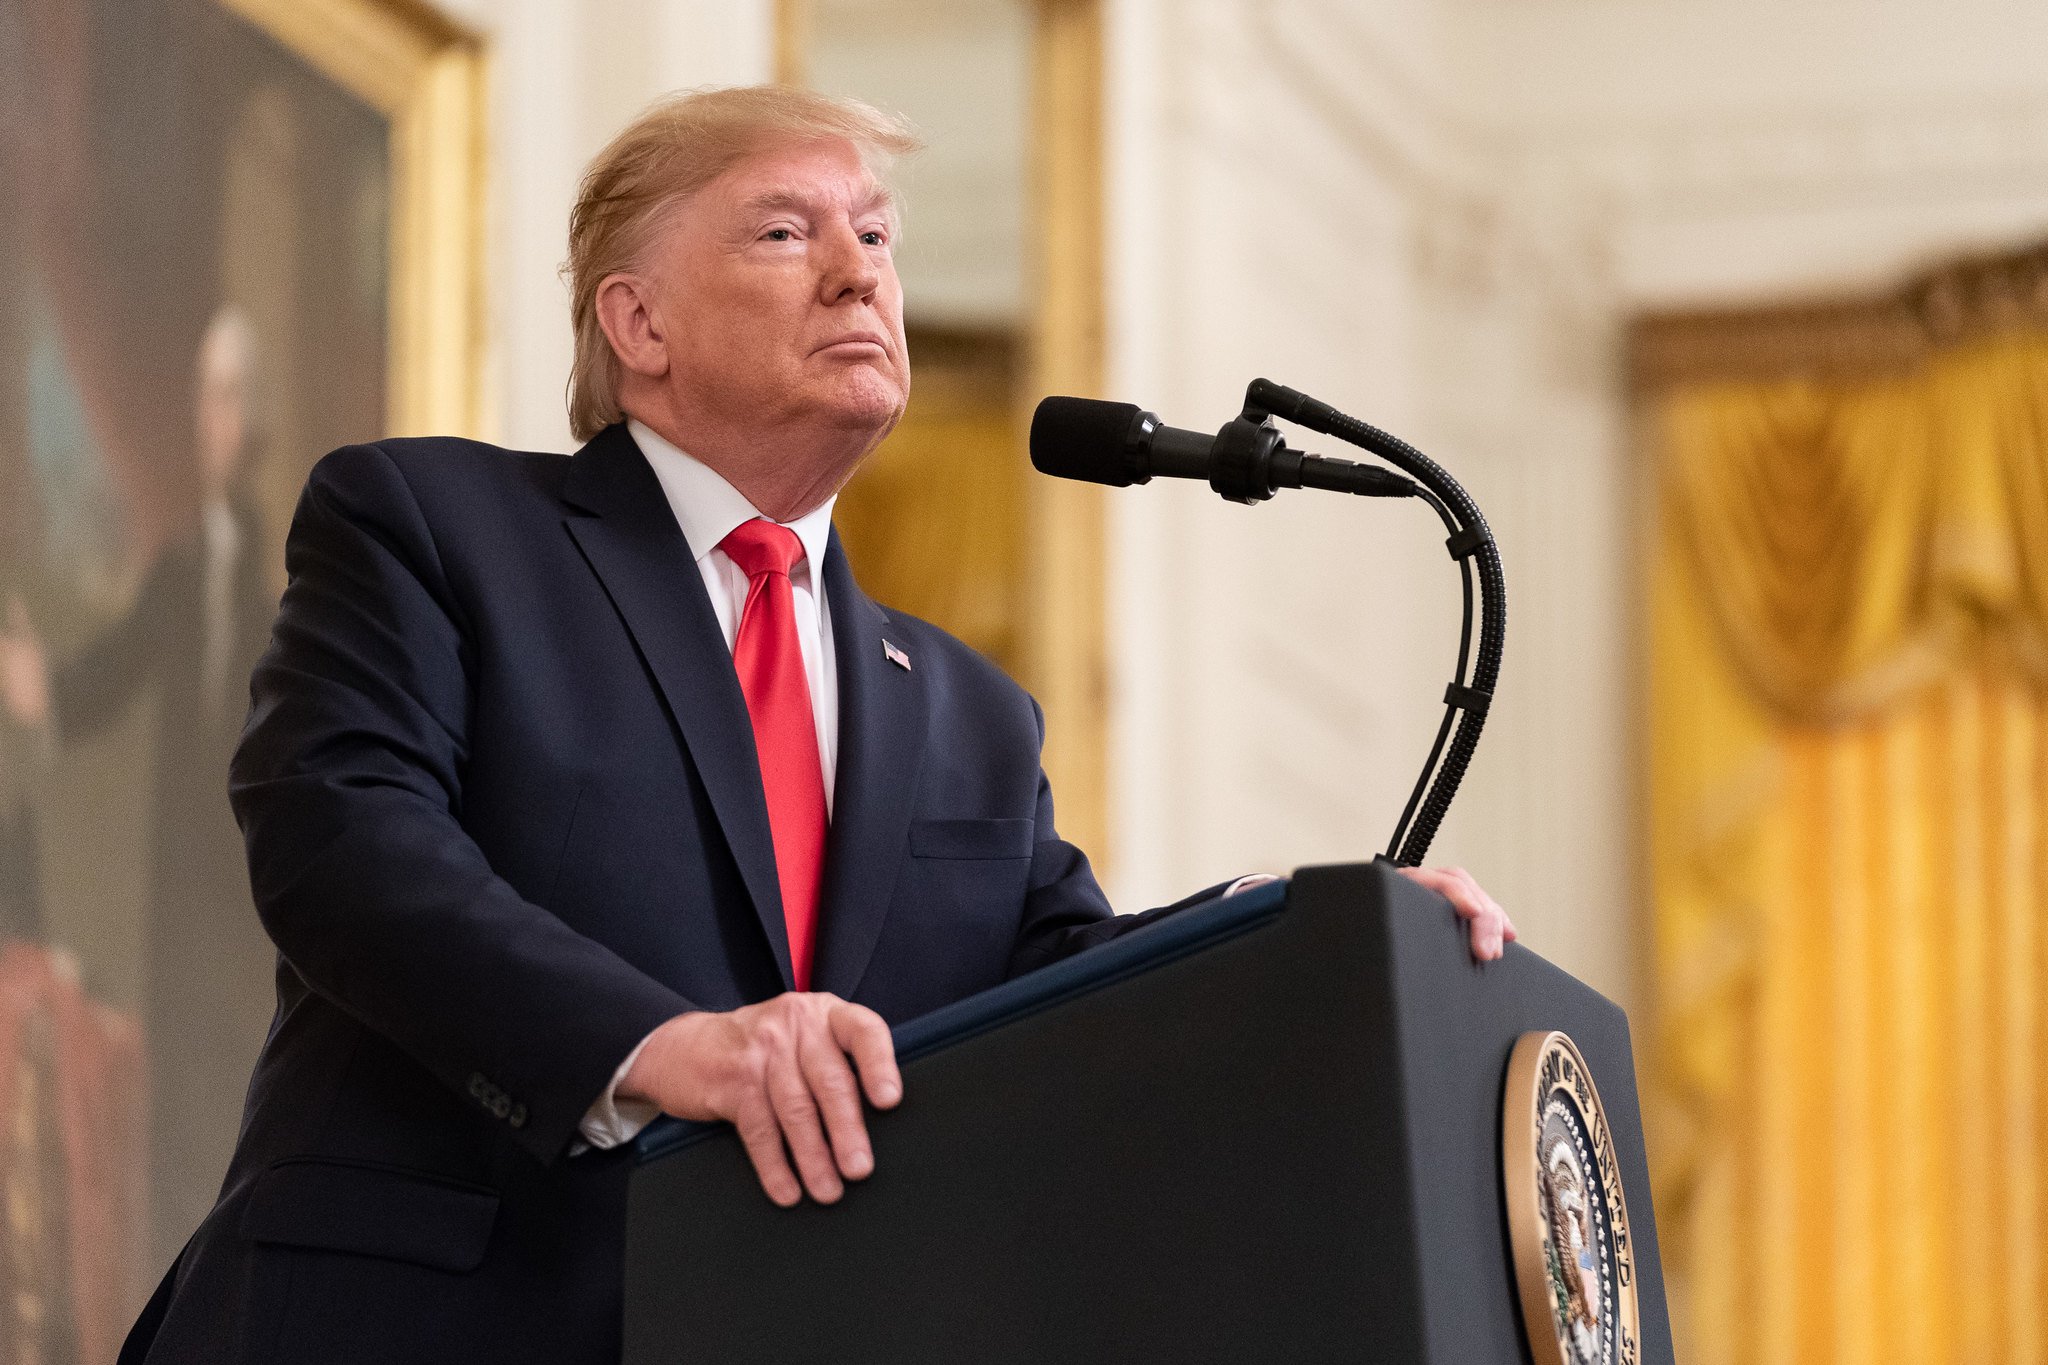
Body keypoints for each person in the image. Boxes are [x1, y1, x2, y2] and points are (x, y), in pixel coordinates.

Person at [118, 87, 1515, 1364]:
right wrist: (660, 1046)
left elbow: (1070, 987)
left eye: (876, 235)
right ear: (638, 324)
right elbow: (340, 840)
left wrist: (1315, 932)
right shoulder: (435, 526)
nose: (860, 272)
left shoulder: (974, 715)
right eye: (786, 232)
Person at [0, 305, 279, 1271]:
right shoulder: (183, 562)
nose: (213, 418)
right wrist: (47, 689)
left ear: (254, 422)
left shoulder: (284, 567)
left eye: (232, 397)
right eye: (205, 395)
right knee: (178, 1105)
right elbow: (112, 673)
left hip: (254, 892)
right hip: (180, 891)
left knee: (244, 1093)